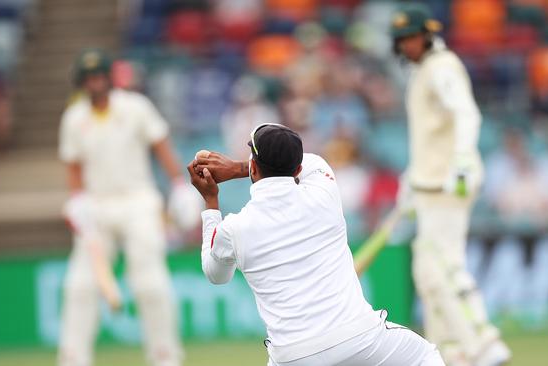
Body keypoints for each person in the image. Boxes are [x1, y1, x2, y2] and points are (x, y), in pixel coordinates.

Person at [188, 123, 445, 366]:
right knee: (425, 357)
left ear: (255, 168)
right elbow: (309, 160)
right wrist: (237, 168)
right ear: (297, 170)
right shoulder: (324, 190)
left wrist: (211, 203)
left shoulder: (234, 228)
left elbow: (217, 275)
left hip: (291, 356)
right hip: (358, 338)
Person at [58, 48, 198, 366]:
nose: (95, 83)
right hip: (96, 206)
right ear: (81, 83)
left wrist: (179, 185)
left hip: (138, 201)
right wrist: (76, 200)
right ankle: (72, 357)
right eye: (88, 78)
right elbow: (74, 168)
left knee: (149, 281)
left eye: (99, 76)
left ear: (109, 78)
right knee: (80, 285)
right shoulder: (74, 118)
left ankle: (165, 356)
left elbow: (161, 145)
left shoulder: (135, 107)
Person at [391, 4, 511, 366]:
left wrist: (461, 160)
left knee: (443, 264)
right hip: (429, 183)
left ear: (427, 35)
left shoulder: (442, 67)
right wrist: (411, 180)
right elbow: (429, 137)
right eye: (402, 40)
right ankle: (450, 353)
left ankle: (484, 343)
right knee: (427, 274)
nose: (408, 46)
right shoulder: (422, 71)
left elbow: (465, 113)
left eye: (413, 37)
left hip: (449, 183)